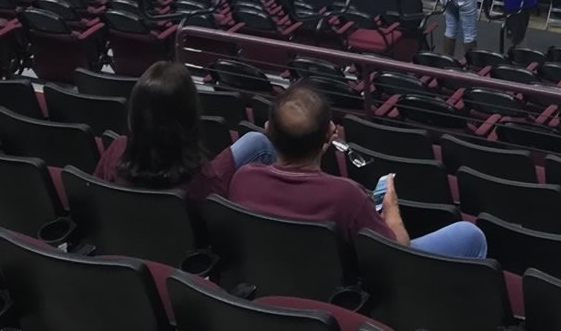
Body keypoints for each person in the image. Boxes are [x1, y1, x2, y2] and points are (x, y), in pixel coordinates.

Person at [231, 83, 487, 257]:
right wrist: (391, 209)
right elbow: (397, 252)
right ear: (329, 138)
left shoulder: (243, 179)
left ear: (267, 129)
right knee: (470, 235)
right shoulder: (345, 196)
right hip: (354, 281)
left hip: (283, 270)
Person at [92, 61, 281, 197]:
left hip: (129, 239)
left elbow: (97, 193)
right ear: (190, 116)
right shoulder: (199, 179)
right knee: (258, 142)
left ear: (134, 113)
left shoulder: (116, 149)